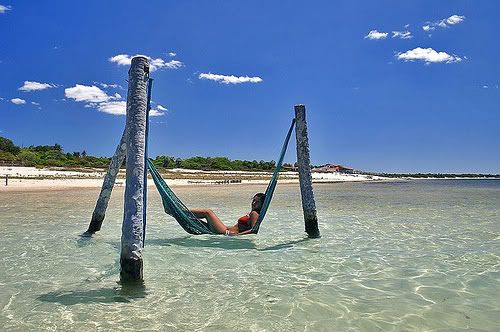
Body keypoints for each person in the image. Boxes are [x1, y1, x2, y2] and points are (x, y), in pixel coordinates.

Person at [190, 193, 265, 236]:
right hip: (226, 229)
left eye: (257, 202)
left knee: (208, 212)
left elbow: (254, 230)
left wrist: (236, 236)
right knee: (194, 221)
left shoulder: (254, 214)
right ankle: (184, 212)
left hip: (226, 232)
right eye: (253, 200)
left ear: (262, 204)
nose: (253, 203)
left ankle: (183, 210)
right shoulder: (254, 213)